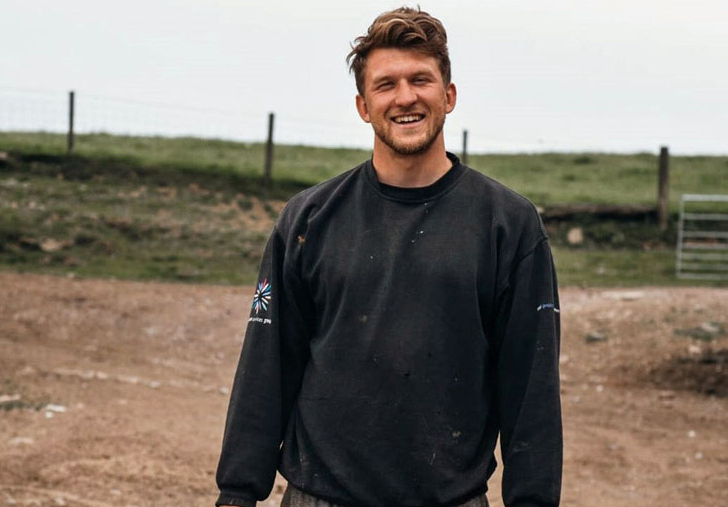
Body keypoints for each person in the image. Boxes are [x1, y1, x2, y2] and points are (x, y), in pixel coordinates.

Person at [215, 7, 562, 507]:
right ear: (363, 105)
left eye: (421, 79)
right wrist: (236, 493)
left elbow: (532, 391)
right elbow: (267, 367)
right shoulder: (308, 220)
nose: (405, 97)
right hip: (320, 496)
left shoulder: (507, 224)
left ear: (449, 95)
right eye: (386, 84)